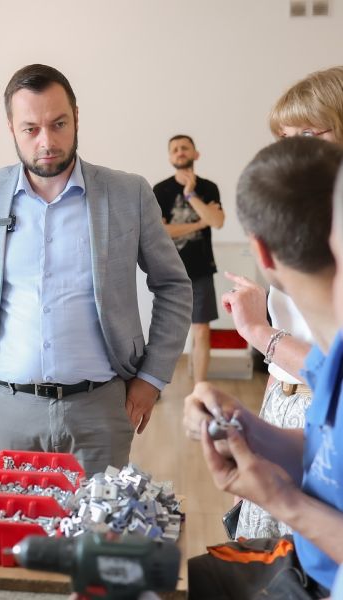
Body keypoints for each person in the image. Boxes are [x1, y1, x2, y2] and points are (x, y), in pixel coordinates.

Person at [0, 63, 192, 476]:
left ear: (76, 117)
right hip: (5, 408)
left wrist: (152, 378)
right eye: (31, 129)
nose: (47, 141)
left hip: (100, 408)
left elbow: (173, 286)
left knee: (97, 521)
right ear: (11, 129)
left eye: (59, 124)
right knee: (8, 521)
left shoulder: (128, 193)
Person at [183, 136, 343, 599]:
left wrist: (280, 499)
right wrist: (246, 428)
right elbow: (326, 453)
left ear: (262, 253)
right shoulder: (331, 357)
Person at [222, 65, 343, 540]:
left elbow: (333, 369)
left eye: (309, 135)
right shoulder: (299, 221)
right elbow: (282, 368)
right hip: (285, 405)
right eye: (285, 138)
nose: (293, 151)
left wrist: (259, 333)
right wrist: (254, 441)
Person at [153, 135, 224, 383]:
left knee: (202, 330)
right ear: (170, 157)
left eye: (185, 148)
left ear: (196, 154)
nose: (180, 152)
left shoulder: (208, 188)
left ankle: (200, 389)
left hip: (201, 268)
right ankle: (155, 386)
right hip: (169, 270)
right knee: (165, 333)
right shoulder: (160, 190)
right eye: (174, 149)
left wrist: (190, 194)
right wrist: (200, 223)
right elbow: (162, 231)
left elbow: (217, 221)